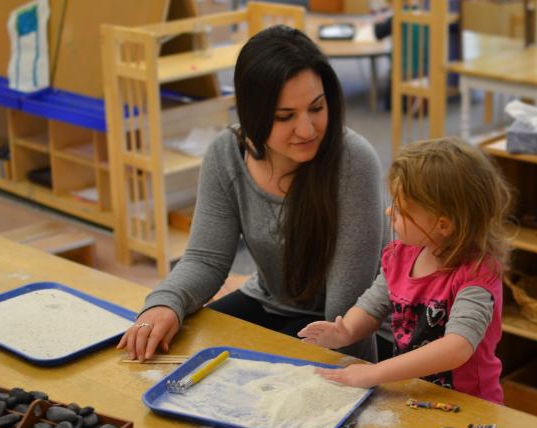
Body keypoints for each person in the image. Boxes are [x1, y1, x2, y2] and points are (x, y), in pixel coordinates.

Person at [117, 25, 385, 363]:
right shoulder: (226, 153)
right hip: (270, 301)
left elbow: (344, 315)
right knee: (177, 350)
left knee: (246, 382)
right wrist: (164, 302)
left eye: (317, 108)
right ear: (253, 114)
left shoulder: (354, 161)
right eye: (285, 116)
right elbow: (206, 259)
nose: (307, 129)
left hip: (352, 326)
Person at [298, 137, 512, 403]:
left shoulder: (477, 274)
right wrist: (347, 331)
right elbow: (373, 305)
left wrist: (375, 372)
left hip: (469, 405)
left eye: (401, 209)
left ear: (443, 225)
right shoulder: (401, 255)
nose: (389, 211)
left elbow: (457, 348)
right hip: (413, 394)